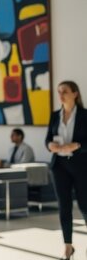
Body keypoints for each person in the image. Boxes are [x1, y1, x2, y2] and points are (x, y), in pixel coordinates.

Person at [45, 80, 87, 260]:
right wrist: (50, 146)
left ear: (75, 93)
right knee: (64, 207)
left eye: (65, 91)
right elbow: (47, 139)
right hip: (59, 166)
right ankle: (68, 247)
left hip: (80, 166)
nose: (61, 95)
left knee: (85, 205)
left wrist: (77, 145)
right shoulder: (55, 115)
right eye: (59, 92)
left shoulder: (85, 115)